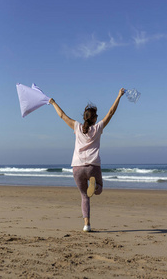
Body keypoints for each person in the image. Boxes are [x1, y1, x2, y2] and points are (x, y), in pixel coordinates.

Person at [49, 88, 125, 232]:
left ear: (85, 117)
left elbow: (62, 116)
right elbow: (111, 112)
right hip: (92, 165)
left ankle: (86, 225)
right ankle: (95, 186)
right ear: (94, 118)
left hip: (77, 167)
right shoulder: (98, 128)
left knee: (84, 196)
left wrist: (53, 102)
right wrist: (119, 96)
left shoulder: (77, 127)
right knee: (99, 189)